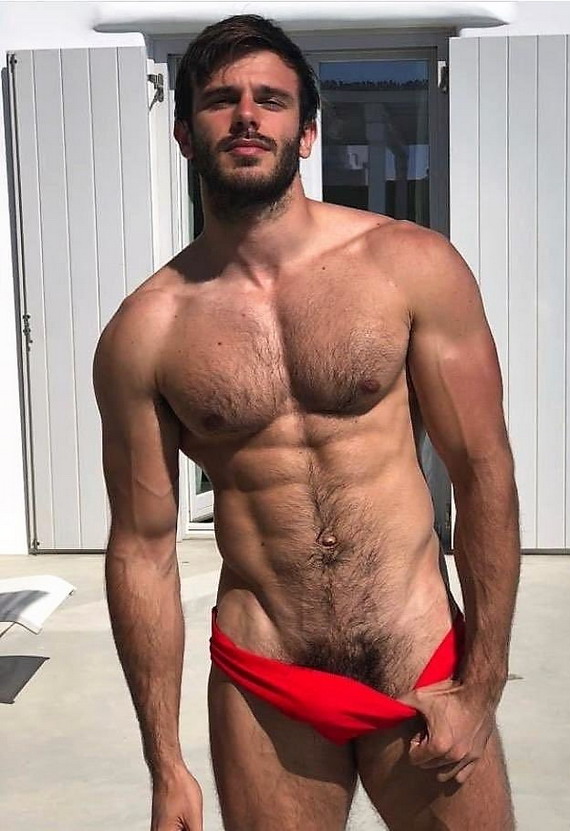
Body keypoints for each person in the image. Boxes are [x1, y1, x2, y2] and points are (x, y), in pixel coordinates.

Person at [93, 14, 521, 831]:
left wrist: (484, 682)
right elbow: (142, 548)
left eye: (271, 99)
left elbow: (483, 471)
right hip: (267, 678)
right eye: (220, 99)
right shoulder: (145, 332)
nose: (246, 116)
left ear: (308, 131)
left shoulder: (410, 266)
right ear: (183, 134)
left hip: (420, 658)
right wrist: (166, 763)